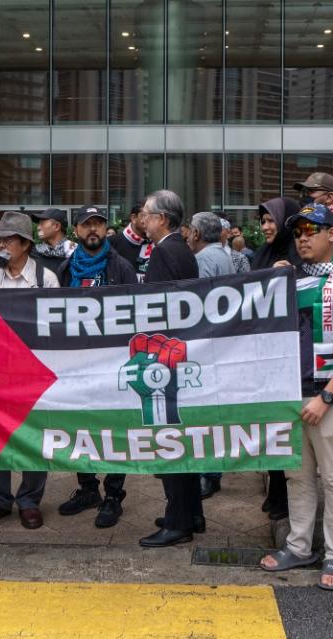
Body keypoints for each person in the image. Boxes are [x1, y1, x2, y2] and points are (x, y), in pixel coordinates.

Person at [259, 204, 333, 591]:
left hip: (331, 398)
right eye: (298, 231)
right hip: (292, 396)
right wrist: (268, 282)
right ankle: (299, 545)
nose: (303, 236)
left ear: (332, 235)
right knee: (297, 477)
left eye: (313, 229)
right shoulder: (287, 279)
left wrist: (326, 396)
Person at [0, 211, 58, 533]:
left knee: (34, 434)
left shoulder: (46, 279)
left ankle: (29, 500)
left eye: (8, 240)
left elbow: (53, 328)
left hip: (32, 370)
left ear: (24, 244)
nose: (2, 245)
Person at [54, 205, 137, 528]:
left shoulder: (122, 267)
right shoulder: (64, 270)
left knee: (116, 427)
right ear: (76, 230)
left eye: (99, 224)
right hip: (76, 363)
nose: (93, 230)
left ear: (106, 229)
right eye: (87, 225)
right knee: (79, 425)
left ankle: (114, 494)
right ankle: (87, 487)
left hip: (114, 362)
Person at [137, 190, 202, 548]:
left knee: (169, 439)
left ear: (162, 218)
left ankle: (179, 521)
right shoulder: (181, 249)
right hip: (179, 354)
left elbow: (156, 307)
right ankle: (190, 512)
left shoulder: (164, 252)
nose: (142, 219)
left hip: (165, 358)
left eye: (147, 214)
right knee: (182, 438)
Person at [251, 197, 302, 521]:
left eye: (272, 221)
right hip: (263, 355)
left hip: (289, 357)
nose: (267, 227)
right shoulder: (261, 255)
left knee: (284, 426)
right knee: (268, 423)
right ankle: (275, 491)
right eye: (263, 221)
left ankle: (284, 497)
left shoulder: (298, 257)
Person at [185, 212, 237, 500]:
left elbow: (199, 303)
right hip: (223, 341)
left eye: (190, 230)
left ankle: (209, 473)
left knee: (206, 412)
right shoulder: (225, 254)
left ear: (196, 233)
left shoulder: (204, 259)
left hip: (209, 344)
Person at [111, 202, 152, 281]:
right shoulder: (112, 242)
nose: (147, 220)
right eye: (144, 215)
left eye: (150, 216)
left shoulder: (156, 241)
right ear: (133, 218)